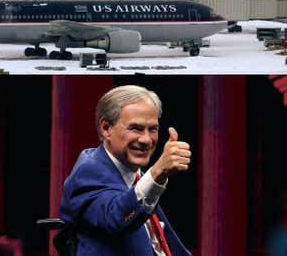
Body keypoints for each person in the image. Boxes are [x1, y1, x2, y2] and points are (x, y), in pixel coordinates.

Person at [60, 85, 193, 256]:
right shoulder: (88, 171)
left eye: (152, 129)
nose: (146, 140)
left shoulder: (136, 175)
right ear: (106, 128)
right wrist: (157, 173)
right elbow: (117, 217)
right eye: (135, 128)